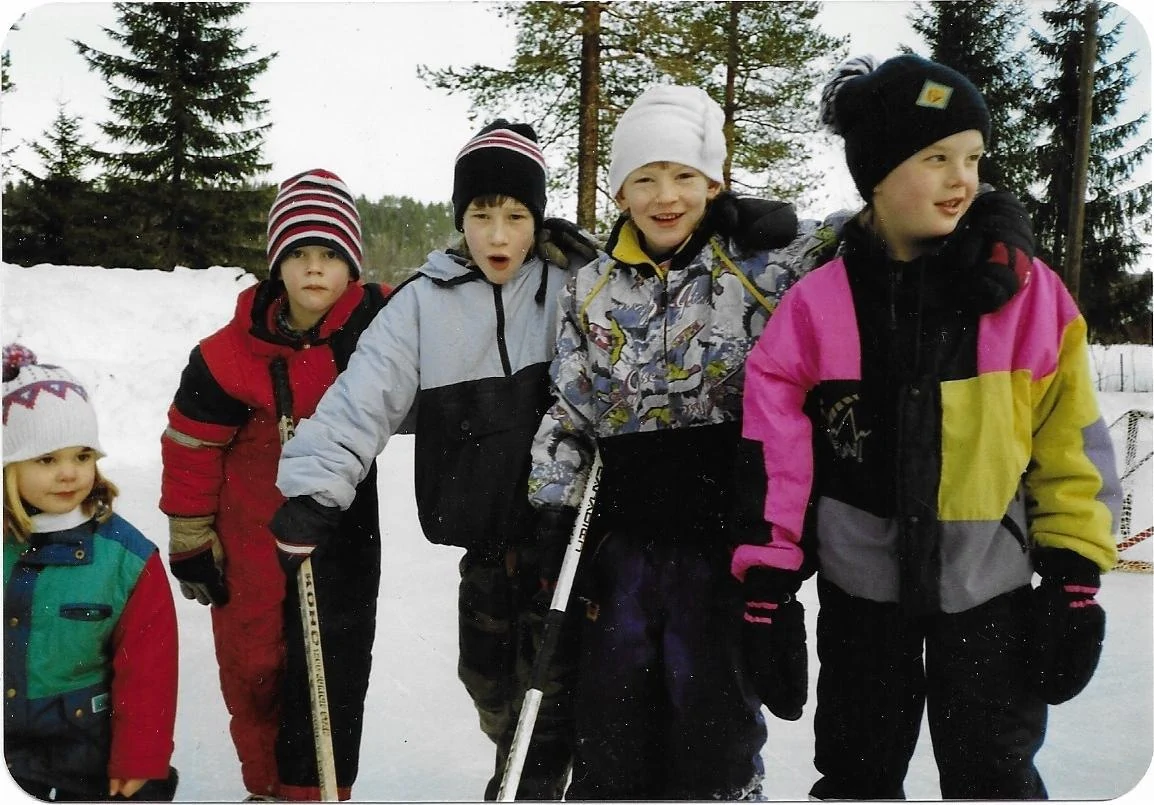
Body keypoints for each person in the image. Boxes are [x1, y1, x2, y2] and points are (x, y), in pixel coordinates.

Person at [737, 54, 1122, 800]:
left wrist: (1074, 571)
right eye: (936, 158)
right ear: (876, 175)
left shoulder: (1025, 298)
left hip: (989, 593)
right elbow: (773, 449)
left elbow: (1068, 440)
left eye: (973, 158)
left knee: (994, 772)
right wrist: (768, 579)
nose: (961, 179)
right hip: (862, 598)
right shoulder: (821, 304)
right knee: (855, 772)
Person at [270, 120, 600, 800]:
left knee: (552, 697)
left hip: (560, 546)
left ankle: (527, 784)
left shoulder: (573, 288)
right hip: (482, 545)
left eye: (515, 216)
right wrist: (314, 486)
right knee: (488, 683)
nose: (499, 235)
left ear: (537, 218)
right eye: (482, 215)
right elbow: (363, 397)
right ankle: (518, 761)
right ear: (461, 218)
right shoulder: (424, 303)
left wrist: (598, 261)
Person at [524, 83, 818, 800]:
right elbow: (570, 407)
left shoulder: (763, 266)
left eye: (685, 176)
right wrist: (550, 512)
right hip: (624, 544)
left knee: (713, 725)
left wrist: (802, 230)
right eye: (645, 177)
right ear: (619, 191)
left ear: (715, 182)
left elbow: (873, 228)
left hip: (723, 544)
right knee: (613, 727)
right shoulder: (590, 286)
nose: (666, 195)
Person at [158, 169, 389, 801]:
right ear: (275, 266)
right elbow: (191, 447)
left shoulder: (381, 327)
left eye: (331, 255)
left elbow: (453, 303)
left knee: (332, 669)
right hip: (249, 532)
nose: (316, 269)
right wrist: (190, 535)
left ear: (353, 267)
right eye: (299, 254)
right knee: (256, 666)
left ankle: (320, 792)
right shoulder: (226, 354)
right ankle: (264, 787)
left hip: (341, 531)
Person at [3, 344, 179, 802]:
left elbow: (149, 673)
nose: (68, 474)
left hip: (83, 755)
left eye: (81, 456)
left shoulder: (126, 560)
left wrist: (140, 758)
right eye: (46, 459)